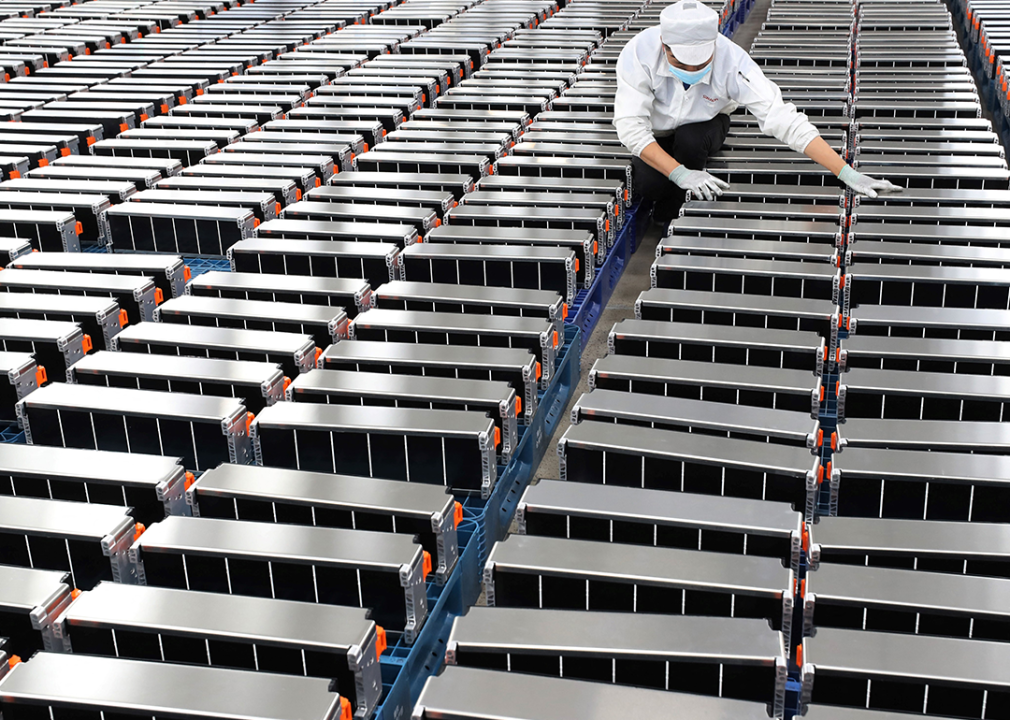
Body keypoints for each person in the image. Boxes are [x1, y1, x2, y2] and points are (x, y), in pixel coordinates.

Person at [613, 0, 901, 225]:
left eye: (700, 63)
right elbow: (631, 127)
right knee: (649, 183)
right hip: (656, 129)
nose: (692, 72)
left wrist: (847, 174)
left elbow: (781, 117)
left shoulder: (734, 62)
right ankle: (671, 188)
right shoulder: (638, 53)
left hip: (707, 124)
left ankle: (677, 212)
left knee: (690, 141)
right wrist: (677, 172)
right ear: (665, 45)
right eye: (682, 63)